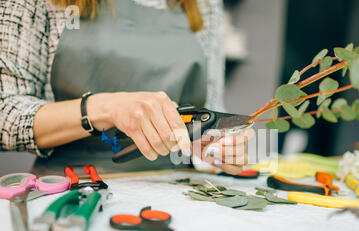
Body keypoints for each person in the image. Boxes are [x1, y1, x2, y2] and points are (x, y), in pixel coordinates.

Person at [0, 0, 252, 175]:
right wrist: (105, 109)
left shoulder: (205, 5)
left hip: (175, 190)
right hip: (73, 186)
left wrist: (216, 144)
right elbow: (5, 116)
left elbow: (211, 106)